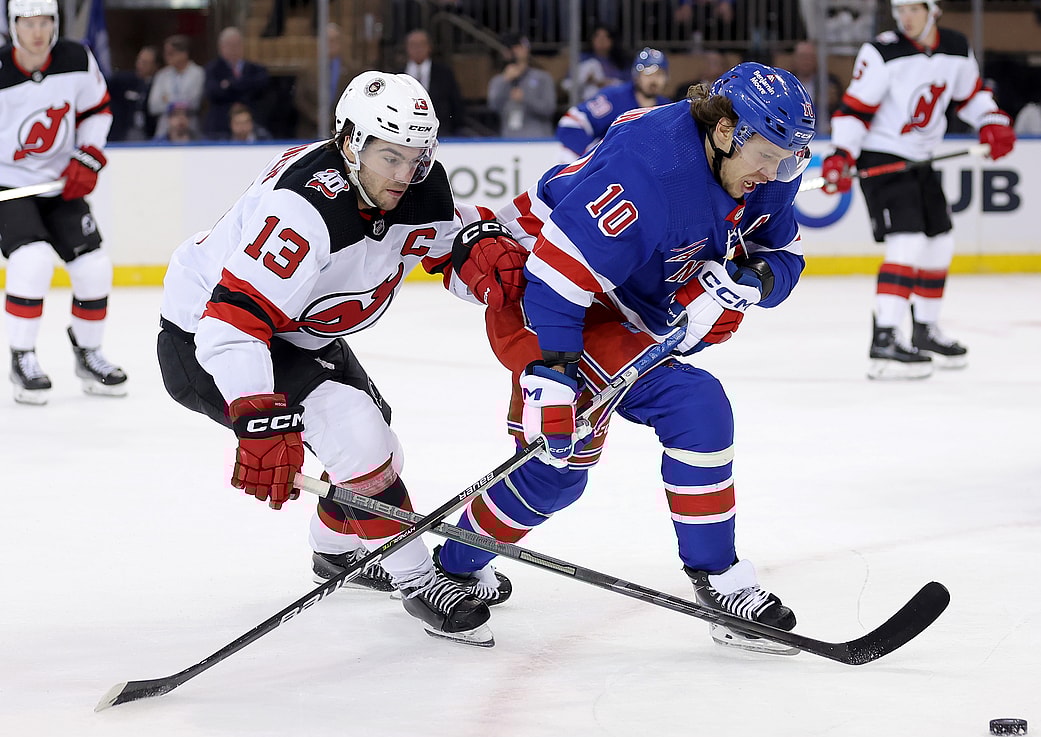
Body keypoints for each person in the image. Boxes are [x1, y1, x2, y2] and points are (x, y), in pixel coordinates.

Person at [435, 62, 816, 653]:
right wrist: (552, 375)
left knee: (692, 409)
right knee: (556, 472)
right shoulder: (650, 166)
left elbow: (784, 252)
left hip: (627, 306)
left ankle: (718, 578)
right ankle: (453, 565)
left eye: (789, 161)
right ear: (724, 131)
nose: (776, 173)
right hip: (546, 291)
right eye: (768, 156)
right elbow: (558, 278)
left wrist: (757, 278)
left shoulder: (767, 165)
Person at [156, 72, 528, 645]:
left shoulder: (418, 186)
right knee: (359, 438)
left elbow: (440, 243)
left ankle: (335, 553)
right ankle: (419, 581)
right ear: (351, 142)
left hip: (297, 331)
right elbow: (232, 324)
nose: (404, 174)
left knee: (378, 453)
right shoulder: (304, 210)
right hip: (207, 336)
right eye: (390, 156)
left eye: (416, 156)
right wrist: (258, 416)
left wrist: (474, 255)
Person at [822, 0, 1016, 380]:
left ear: (933, 10)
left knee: (939, 242)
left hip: (922, 158)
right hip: (882, 156)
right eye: (900, 10)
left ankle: (925, 329)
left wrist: (991, 120)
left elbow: (970, 96)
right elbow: (855, 110)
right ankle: (885, 336)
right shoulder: (882, 51)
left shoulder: (956, 47)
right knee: (907, 241)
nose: (905, 18)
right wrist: (841, 154)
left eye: (914, 9)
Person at [1, 0, 128, 405]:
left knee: (94, 267)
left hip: (60, 185)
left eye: (45, 22)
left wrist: (87, 156)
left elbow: (97, 110)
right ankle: (22, 357)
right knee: (32, 261)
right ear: (12, 25)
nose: (37, 32)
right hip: (9, 187)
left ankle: (89, 354)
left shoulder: (75, 58)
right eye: (28, 23)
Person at [556, 47, 671, 162]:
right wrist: (590, 159)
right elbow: (570, 123)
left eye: (659, 75)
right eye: (648, 74)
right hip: (607, 169)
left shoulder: (668, 109)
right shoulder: (614, 98)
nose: (654, 81)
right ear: (636, 76)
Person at [293, 23, 360, 139]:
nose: (331, 43)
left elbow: (356, 99)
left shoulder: (353, 70)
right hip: (310, 131)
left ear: (341, 42)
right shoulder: (307, 69)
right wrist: (316, 116)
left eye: (334, 40)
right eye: (327, 40)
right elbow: (300, 97)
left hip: (343, 132)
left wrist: (334, 117)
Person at [202, 27, 270, 139]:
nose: (233, 49)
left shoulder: (256, 69)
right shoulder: (212, 69)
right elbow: (212, 92)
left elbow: (261, 87)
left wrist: (230, 85)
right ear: (221, 47)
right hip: (220, 126)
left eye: (237, 44)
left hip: (253, 124)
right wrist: (244, 86)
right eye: (229, 45)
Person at [487, 33, 556, 139]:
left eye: (520, 47)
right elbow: (493, 106)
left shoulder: (542, 78)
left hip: (538, 139)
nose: (517, 51)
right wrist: (505, 81)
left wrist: (525, 99)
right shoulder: (498, 81)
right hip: (509, 138)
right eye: (513, 48)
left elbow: (549, 109)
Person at [402, 29, 465, 137]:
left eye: (421, 44)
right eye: (413, 45)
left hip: (441, 133)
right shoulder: (397, 75)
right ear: (406, 48)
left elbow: (455, 104)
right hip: (404, 133)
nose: (417, 49)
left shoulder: (444, 74)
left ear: (429, 47)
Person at [148, 34, 204, 140]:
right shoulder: (162, 75)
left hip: (189, 129)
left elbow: (194, 102)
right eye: (166, 53)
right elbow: (154, 105)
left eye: (171, 53)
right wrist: (180, 102)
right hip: (164, 129)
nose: (166, 57)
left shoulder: (197, 73)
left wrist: (168, 100)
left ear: (184, 54)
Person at [786, 40, 841, 134]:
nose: (806, 61)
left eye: (810, 57)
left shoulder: (829, 82)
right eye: (802, 56)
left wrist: (833, 103)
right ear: (794, 58)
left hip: (824, 134)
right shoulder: (785, 83)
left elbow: (841, 109)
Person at [561, 24, 625, 102]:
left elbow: (628, 84)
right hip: (586, 99)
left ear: (612, 40)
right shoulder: (583, 58)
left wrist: (607, 82)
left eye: (606, 37)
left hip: (614, 99)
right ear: (592, 39)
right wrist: (588, 79)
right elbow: (567, 83)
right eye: (597, 37)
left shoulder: (620, 60)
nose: (601, 40)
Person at [108, 44, 158, 141]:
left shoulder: (158, 83)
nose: (140, 65)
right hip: (122, 133)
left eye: (145, 63)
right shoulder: (122, 81)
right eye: (139, 61)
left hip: (149, 134)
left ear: (155, 66)